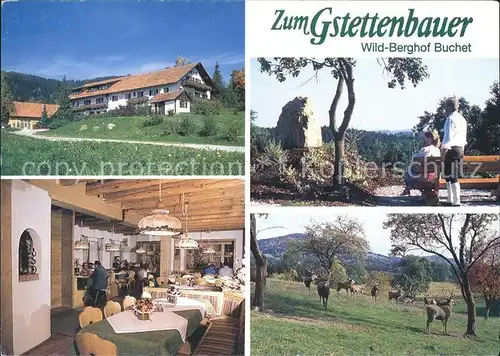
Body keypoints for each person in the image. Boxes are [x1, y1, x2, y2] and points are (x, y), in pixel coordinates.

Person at [441, 96, 467, 206]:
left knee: (451, 176)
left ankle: (455, 201)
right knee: (450, 175)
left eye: (446, 106)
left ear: (450, 106)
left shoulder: (450, 119)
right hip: (460, 148)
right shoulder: (462, 119)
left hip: (452, 149)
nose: (445, 109)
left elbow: (448, 137)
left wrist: (443, 152)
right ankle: (450, 200)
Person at [401, 130, 441, 196]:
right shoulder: (438, 150)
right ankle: (407, 189)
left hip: (423, 179)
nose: (423, 140)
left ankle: (407, 189)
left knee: (408, 171)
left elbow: (414, 159)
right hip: (435, 179)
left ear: (429, 138)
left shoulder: (425, 149)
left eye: (425, 138)